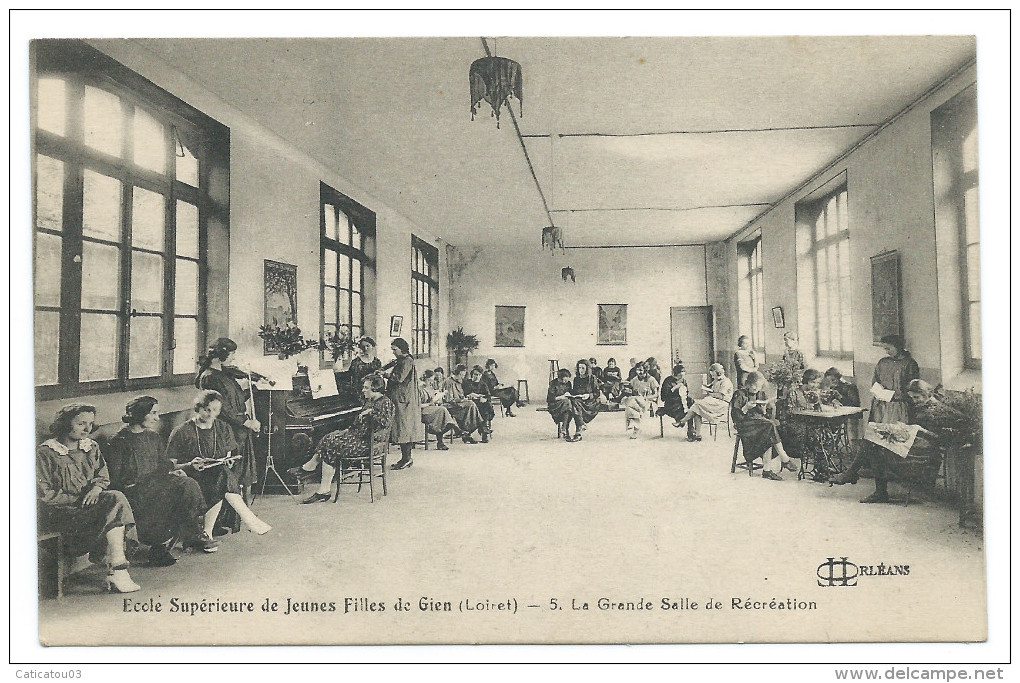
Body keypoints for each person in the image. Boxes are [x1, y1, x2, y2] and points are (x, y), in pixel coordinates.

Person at [37, 404, 141, 593]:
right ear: (65, 424)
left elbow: (103, 476)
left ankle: (117, 566)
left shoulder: (91, 447)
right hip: (63, 512)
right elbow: (44, 494)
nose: (87, 429)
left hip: (90, 506)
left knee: (115, 497)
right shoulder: (46, 452)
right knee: (114, 506)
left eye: (91, 424)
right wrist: (76, 500)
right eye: (81, 424)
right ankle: (117, 570)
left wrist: (96, 489)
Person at [105, 396, 212, 565]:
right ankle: (161, 547)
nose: (157, 418)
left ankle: (191, 535)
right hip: (133, 492)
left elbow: (163, 466)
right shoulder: (119, 441)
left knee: (187, 484)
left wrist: (179, 469)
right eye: (153, 413)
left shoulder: (153, 437)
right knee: (169, 496)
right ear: (140, 414)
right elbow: (116, 478)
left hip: (155, 485)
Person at [165, 390, 272, 538]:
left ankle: (207, 533)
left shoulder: (223, 428)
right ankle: (249, 520)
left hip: (217, 474)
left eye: (215, 410)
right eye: (206, 410)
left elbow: (229, 453)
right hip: (192, 477)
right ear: (197, 408)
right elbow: (170, 466)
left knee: (221, 473)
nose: (210, 414)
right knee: (222, 477)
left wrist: (228, 460)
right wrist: (189, 465)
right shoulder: (182, 431)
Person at [855, 380, 970, 503]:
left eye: (917, 397)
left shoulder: (939, 409)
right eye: (912, 397)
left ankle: (875, 489)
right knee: (873, 437)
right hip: (915, 444)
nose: (914, 401)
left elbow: (942, 438)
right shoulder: (922, 406)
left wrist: (922, 431)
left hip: (925, 451)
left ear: (926, 393)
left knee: (876, 447)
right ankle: (868, 484)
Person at [290, 375, 395, 502]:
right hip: (361, 438)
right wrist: (348, 430)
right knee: (328, 437)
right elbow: (361, 423)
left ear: (376, 389)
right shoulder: (372, 401)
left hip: (368, 444)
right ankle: (312, 469)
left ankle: (321, 487)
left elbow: (383, 423)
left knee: (331, 445)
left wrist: (370, 413)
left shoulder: (385, 403)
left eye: (366, 388)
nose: (363, 390)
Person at [195, 337, 260, 530]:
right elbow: (221, 409)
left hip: (238, 430)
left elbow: (235, 401)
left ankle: (233, 519)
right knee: (228, 474)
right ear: (222, 355)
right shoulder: (210, 377)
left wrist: (251, 389)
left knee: (238, 474)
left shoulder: (224, 375)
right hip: (227, 430)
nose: (233, 358)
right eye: (231, 354)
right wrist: (246, 421)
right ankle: (218, 522)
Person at [731, 373, 799, 481]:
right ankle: (784, 458)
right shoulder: (739, 394)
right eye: (753, 385)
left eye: (758, 386)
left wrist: (763, 410)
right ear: (748, 383)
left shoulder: (761, 394)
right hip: (745, 425)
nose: (755, 388)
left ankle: (767, 470)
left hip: (760, 424)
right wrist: (745, 408)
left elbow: (765, 416)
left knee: (773, 428)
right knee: (769, 426)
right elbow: (736, 417)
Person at [384, 338, 424, 471]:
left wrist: (384, 374)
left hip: (404, 401)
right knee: (401, 429)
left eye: (395, 349)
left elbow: (399, 378)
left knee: (404, 429)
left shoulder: (407, 361)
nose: (394, 352)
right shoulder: (402, 360)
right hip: (401, 400)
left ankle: (407, 458)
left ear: (402, 348)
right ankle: (405, 458)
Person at [869, 334, 920, 424]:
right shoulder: (882, 362)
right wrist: (878, 392)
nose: (887, 352)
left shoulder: (909, 364)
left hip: (899, 407)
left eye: (888, 348)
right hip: (881, 406)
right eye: (885, 349)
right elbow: (875, 381)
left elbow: (913, 387)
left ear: (898, 346)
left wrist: (896, 396)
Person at [675, 363, 734, 441]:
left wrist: (710, 393)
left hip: (721, 404)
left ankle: (683, 421)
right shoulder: (716, 380)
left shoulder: (726, 382)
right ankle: (697, 434)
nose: (712, 377)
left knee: (697, 405)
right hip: (713, 401)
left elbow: (721, 396)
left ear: (718, 373)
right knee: (697, 408)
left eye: (713, 375)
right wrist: (706, 387)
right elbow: (710, 387)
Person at [442, 364, 489, 443]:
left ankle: (467, 433)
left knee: (471, 405)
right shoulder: (449, 382)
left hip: (459, 404)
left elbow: (461, 395)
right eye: (463, 375)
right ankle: (479, 427)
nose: (463, 377)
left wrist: (467, 397)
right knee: (471, 405)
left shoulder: (459, 382)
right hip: (450, 406)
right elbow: (449, 399)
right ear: (459, 373)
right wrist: (463, 400)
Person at [418, 371, 461, 450]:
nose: (431, 382)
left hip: (432, 410)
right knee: (442, 410)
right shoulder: (418, 389)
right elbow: (417, 405)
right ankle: (454, 427)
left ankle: (441, 441)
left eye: (432, 380)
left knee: (441, 412)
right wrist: (430, 403)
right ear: (424, 379)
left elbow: (432, 399)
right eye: (429, 380)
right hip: (422, 411)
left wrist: (437, 399)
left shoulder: (429, 388)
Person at [656, 363, 695, 439]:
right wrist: (674, 389)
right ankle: (681, 421)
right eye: (682, 371)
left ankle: (690, 429)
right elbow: (664, 397)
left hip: (682, 402)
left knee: (691, 402)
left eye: (684, 371)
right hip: (671, 403)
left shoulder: (683, 381)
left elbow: (686, 393)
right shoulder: (668, 380)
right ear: (677, 372)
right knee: (679, 404)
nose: (683, 373)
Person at [621, 362, 660, 438]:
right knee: (630, 404)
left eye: (641, 370)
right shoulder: (635, 379)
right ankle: (636, 428)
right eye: (637, 370)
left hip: (647, 401)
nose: (639, 372)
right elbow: (630, 387)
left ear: (645, 370)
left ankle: (634, 426)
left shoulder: (651, 379)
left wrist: (646, 398)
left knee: (630, 403)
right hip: (636, 401)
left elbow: (656, 394)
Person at [546, 368, 582, 442]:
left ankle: (564, 429)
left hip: (566, 404)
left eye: (568, 380)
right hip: (555, 405)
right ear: (560, 378)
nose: (567, 381)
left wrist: (570, 394)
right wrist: (561, 397)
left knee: (570, 406)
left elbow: (571, 392)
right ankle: (566, 428)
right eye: (565, 380)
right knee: (568, 404)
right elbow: (550, 398)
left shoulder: (568, 383)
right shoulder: (553, 383)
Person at [570, 359, 602, 432]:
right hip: (579, 401)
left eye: (583, 368)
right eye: (579, 368)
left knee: (575, 405)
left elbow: (597, 393)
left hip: (590, 402)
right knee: (574, 403)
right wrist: (570, 393)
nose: (581, 370)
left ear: (587, 369)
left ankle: (579, 429)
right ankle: (580, 426)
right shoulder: (576, 379)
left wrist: (588, 395)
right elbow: (575, 392)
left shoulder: (592, 378)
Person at [464, 365, 497, 434]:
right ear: (472, 374)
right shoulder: (467, 383)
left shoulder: (483, 384)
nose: (477, 376)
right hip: (470, 403)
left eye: (479, 375)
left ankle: (483, 428)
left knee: (486, 405)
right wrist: (469, 395)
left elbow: (488, 396)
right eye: (475, 374)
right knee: (483, 407)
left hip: (480, 403)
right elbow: (463, 394)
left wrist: (484, 399)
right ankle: (484, 429)